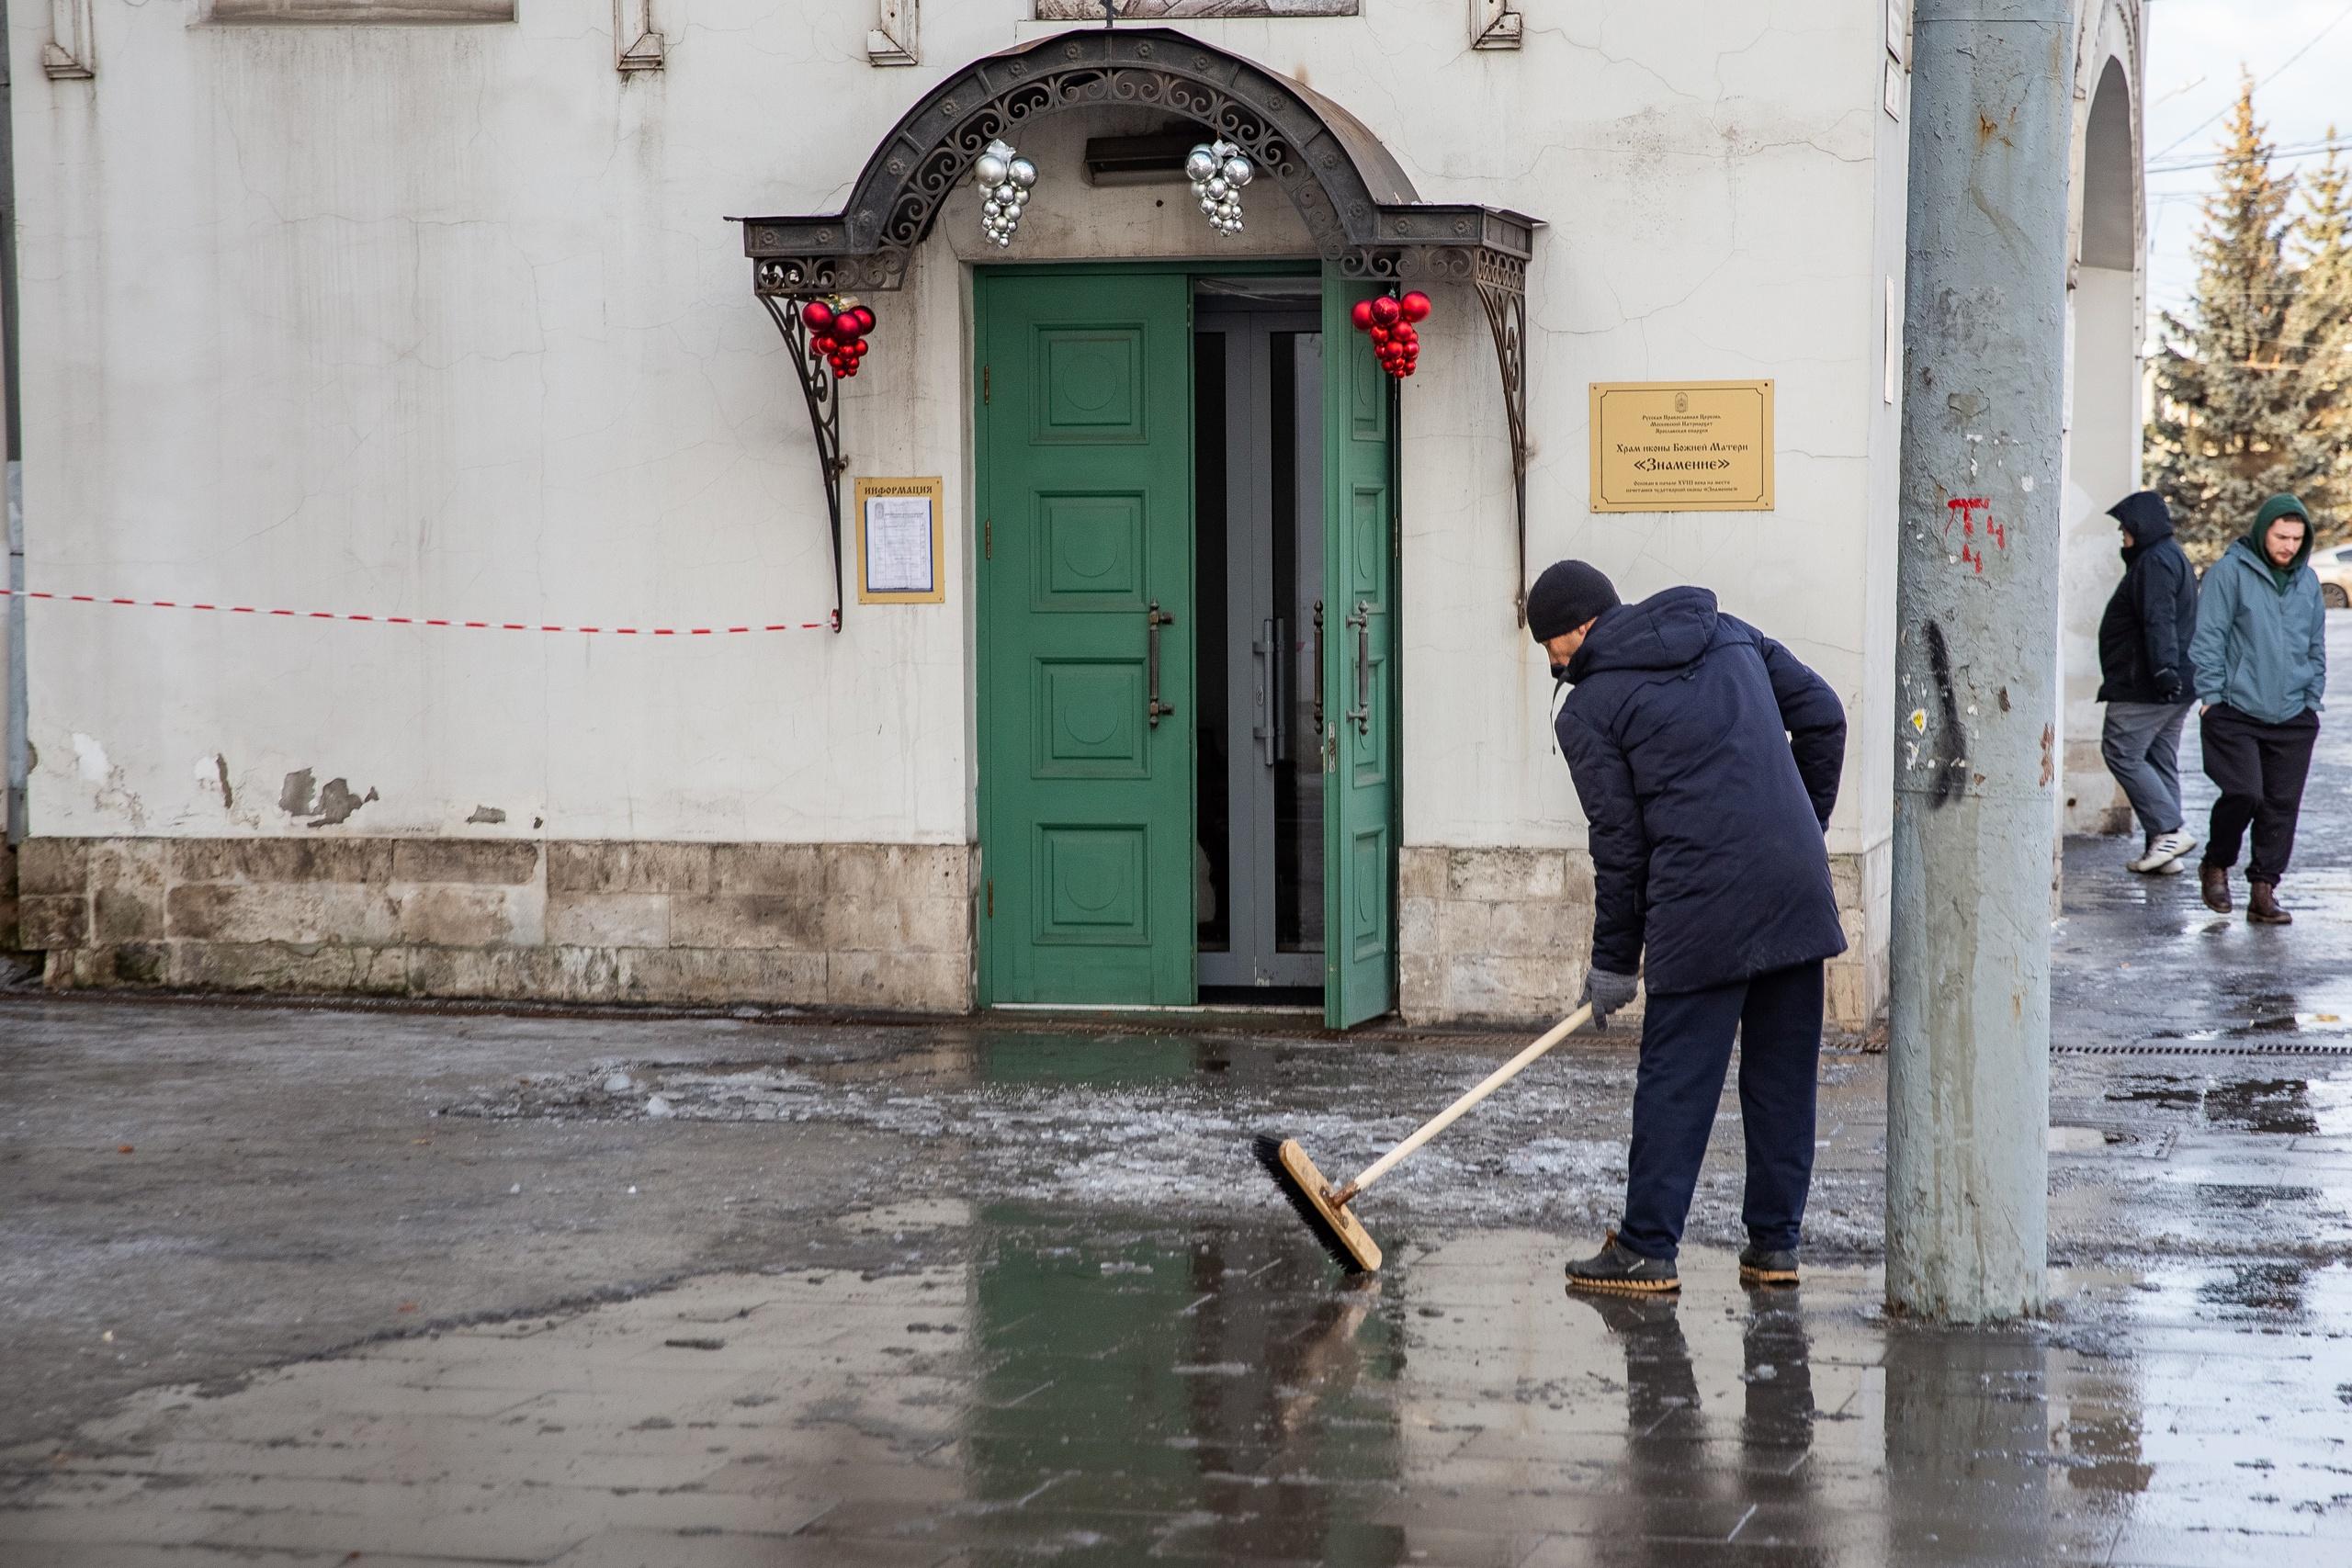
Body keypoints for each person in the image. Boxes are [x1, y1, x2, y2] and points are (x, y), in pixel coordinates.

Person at [1527, 560, 1847, 1295]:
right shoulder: (1730, 634)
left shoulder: (1588, 711)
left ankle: (1646, 1247)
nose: (1550, 662)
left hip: (1700, 903)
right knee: (1782, 1080)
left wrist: (1613, 960)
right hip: (1793, 887)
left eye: (1550, 643)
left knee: (1676, 1079)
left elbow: (1621, 846)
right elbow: (1824, 714)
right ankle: (1774, 1248)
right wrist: (1801, 827)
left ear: (1580, 627)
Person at [2190, 493, 2328, 924]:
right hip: (2235, 710)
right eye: (2281, 536)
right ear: (2262, 530)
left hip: (2293, 714)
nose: (2288, 545)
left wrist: (2311, 698)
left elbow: (2315, 644)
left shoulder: (2307, 582)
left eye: (2296, 538)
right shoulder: (2230, 573)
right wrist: (2211, 697)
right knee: (2245, 792)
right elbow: (2208, 637)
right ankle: (2216, 863)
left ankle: (2264, 891)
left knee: (2281, 805)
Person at [2095, 491, 2199, 874]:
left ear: (2140, 527)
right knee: (2158, 758)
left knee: (2121, 751)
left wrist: (2161, 671)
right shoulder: (2168, 556)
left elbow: (2159, 619)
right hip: (2173, 682)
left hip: (2147, 684)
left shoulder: (2154, 563)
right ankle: (2164, 848)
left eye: (2125, 527)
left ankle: (2169, 831)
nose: (2122, 534)